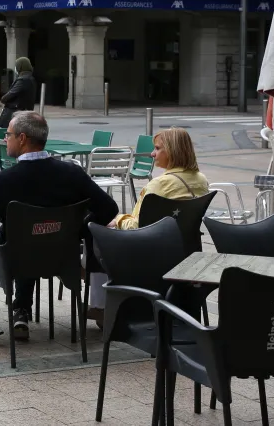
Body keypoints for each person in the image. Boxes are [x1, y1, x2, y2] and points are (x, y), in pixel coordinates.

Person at [0, 111, 119, 342]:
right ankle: (21, 310)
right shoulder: (72, 173)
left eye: (8, 135)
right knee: (29, 236)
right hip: (60, 258)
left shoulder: (6, 180)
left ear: (22, 138)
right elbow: (109, 209)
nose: (5, 139)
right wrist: (78, 225)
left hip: (14, 261)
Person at [86, 127, 209, 327]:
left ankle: (98, 297)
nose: (152, 153)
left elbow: (137, 225)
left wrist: (118, 220)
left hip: (148, 253)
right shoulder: (201, 180)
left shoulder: (158, 185)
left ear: (173, 151)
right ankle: (95, 286)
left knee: (97, 233)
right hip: (186, 251)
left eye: (158, 149)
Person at [0, 57, 37, 128]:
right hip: (23, 111)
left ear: (21, 66)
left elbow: (11, 93)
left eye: (17, 66)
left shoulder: (22, 80)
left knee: (10, 134)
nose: (15, 68)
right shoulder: (30, 78)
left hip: (15, 112)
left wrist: (3, 99)